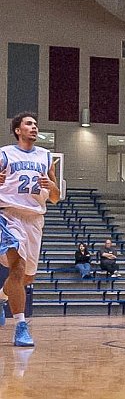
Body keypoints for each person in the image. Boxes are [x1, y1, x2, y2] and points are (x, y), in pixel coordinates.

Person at [0, 113, 60, 347]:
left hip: (34, 218)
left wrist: (52, 186)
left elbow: (55, 198)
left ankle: (3, 296)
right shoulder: (5, 154)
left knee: (26, 277)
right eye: (29, 124)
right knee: (18, 268)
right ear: (18, 130)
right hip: (8, 215)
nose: (34, 127)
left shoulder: (46, 157)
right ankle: (21, 326)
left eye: (35, 125)